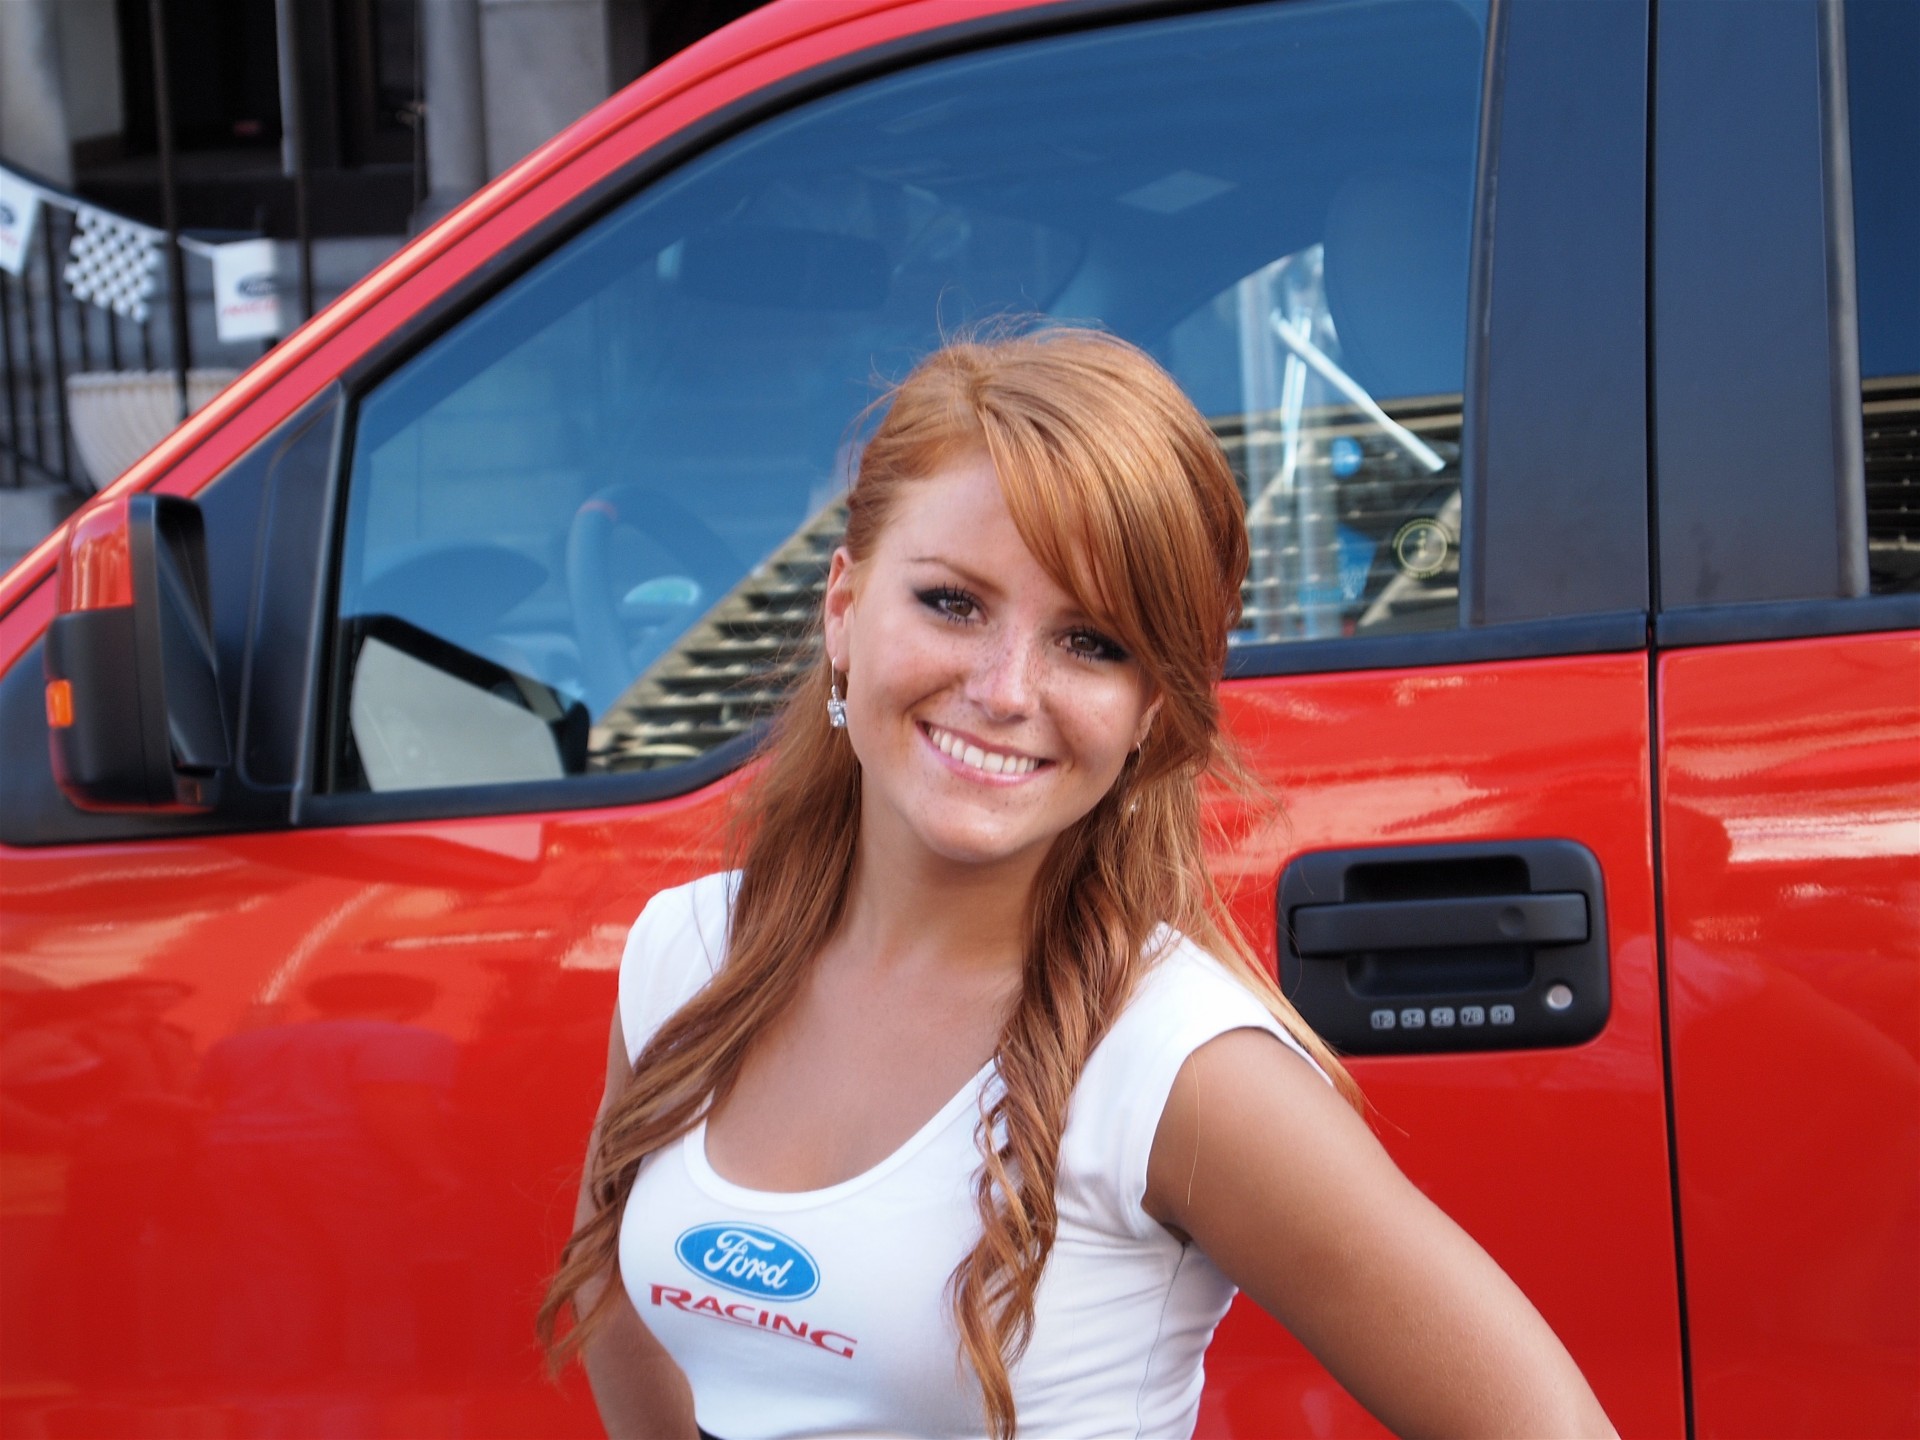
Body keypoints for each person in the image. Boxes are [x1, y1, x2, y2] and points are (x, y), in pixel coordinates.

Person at [539, 327, 1615, 1439]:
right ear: (843, 608)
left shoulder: (1176, 1069)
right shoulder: (686, 955)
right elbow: (617, 1307)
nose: (1007, 690)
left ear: (1153, 708)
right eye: (953, 603)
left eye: (1092, 642)